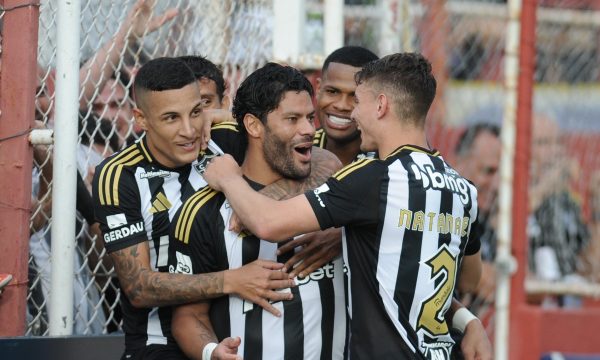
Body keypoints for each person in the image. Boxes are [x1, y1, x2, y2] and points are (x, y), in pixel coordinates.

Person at [203, 53, 492, 360]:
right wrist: (469, 320)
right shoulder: (462, 188)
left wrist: (230, 179)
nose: (353, 114)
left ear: (380, 106)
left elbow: (266, 223)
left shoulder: (374, 177)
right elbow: (469, 279)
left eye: (358, 102)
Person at [92, 57, 296, 360]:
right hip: (159, 344)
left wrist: (253, 195)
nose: (189, 130)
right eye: (171, 118)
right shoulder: (119, 174)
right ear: (141, 118)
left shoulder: (225, 140)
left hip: (236, 334)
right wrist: (232, 280)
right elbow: (138, 286)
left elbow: (317, 160)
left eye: (196, 112)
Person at [169, 63, 346, 360]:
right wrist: (212, 351)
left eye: (309, 118)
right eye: (292, 119)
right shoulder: (204, 210)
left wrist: (342, 232)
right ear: (253, 126)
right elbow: (188, 316)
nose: (309, 130)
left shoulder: (334, 190)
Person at [527, 113, 590, 307]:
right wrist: (545, 186)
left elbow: (589, 260)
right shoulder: (505, 192)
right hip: (528, 303)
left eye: (559, 143)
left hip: (567, 300)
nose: (555, 151)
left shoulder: (565, 200)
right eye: (544, 143)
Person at [454, 123, 501, 306]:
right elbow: (480, 280)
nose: (497, 184)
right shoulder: (444, 209)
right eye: (488, 171)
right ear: (459, 163)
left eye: (502, 174)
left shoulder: (490, 218)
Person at [313, 46, 378, 166]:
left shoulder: (390, 163)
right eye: (332, 92)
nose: (342, 105)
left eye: (355, 97)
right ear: (318, 89)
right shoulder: (296, 148)